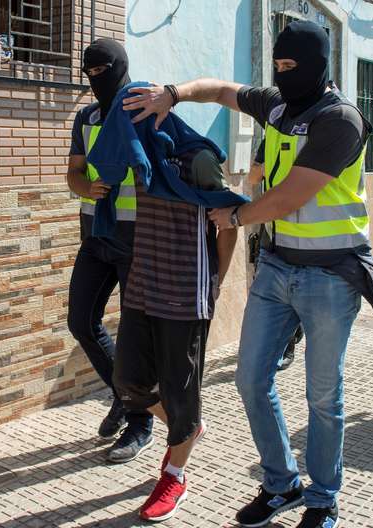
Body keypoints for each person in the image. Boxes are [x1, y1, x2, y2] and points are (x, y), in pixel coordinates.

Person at [123, 20, 373, 528]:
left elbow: (293, 194)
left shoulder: (340, 119)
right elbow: (220, 89)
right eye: (277, 67)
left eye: (290, 68)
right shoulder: (279, 104)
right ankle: (281, 484)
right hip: (279, 267)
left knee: (323, 395)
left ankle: (324, 498)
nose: (281, 76)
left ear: (316, 65)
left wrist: (237, 216)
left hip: (331, 275)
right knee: (250, 380)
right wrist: (172, 95)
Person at [107, 89, 240, 521]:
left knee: (182, 392)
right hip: (145, 284)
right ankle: (188, 428)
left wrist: (215, 281)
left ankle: (175, 473)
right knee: (128, 381)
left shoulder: (196, 159)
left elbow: (228, 221)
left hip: (186, 290)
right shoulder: (140, 155)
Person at [65, 39, 154, 463]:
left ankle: (141, 423)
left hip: (137, 236)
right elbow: (75, 175)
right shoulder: (86, 116)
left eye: (102, 70)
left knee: (137, 335)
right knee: (81, 321)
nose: (95, 79)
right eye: (89, 73)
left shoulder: (143, 106)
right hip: (95, 235)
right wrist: (86, 187)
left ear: (119, 67)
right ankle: (123, 394)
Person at [248, 139, 299, 372]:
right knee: (275, 292)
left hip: (305, 234)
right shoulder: (271, 139)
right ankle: (284, 343)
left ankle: (292, 338)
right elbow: (253, 177)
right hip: (271, 229)